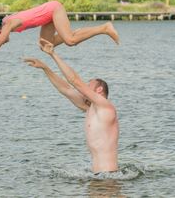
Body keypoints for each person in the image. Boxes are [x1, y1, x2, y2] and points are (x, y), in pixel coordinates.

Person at [24, 38, 119, 174]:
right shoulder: (91, 109)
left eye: (89, 85)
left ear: (99, 90)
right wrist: (46, 68)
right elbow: (66, 89)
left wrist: (53, 54)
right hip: (98, 176)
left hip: (109, 177)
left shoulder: (106, 107)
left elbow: (75, 81)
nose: (85, 87)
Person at [0, 0, 120, 71]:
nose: (3, 42)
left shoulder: (8, 24)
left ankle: (104, 28)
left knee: (70, 40)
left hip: (53, 10)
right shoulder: (2, 25)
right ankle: (79, 32)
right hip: (47, 17)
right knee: (45, 45)